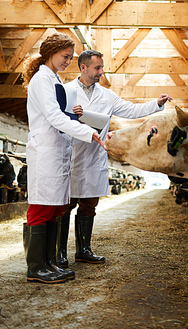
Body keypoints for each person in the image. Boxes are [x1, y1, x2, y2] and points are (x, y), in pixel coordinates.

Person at [55, 50, 172, 268]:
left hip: (94, 158)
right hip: (70, 156)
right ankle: (60, 252)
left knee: (89, 205)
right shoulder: (65, 90)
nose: (101, 72)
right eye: (97, 68)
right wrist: (71, 115)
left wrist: (156, 103)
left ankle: (84, 250)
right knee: (65, 206)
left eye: (101, 67)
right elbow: (54, 117)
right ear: (83, 68)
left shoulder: (107, 95)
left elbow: (131, 109)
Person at [22, 34, 107, 284]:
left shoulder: (54, 79)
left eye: (70, 57)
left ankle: (48, 263)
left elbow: (61, 115)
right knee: (41, 207)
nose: (68, 61)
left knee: (55, 207)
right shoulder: (41, 80)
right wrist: (88, 132)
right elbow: (53, 117)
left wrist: (79, 118)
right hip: (45, 151)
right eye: (65, 56)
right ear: (50, 52)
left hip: (58, 151)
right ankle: (35, 268)